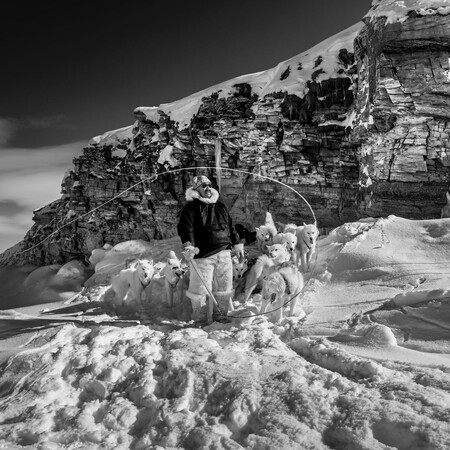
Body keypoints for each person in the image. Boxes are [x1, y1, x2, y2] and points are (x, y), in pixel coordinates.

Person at [177, 175, 244, 323]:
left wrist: (237, 244)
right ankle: (200, 320)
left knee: (224, 287)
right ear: (196, 189)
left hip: (225, 251)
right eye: (203, 186)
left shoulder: (220, 205)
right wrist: (188, 245)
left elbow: (230, 226)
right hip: (203, 254)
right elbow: (185, 228)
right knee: (199, 290)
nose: (207, 188)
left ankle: (221, 317)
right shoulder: (190, 208)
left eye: (209, 185)